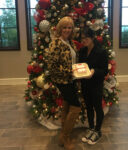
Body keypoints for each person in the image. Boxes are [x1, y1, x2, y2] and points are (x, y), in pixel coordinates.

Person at [47, 16, 81, 150]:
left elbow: (72, 61)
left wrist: (78, 70)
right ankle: (65, 137)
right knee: (76, 107)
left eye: (69, 27)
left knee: (67, 105)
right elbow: (52, 66)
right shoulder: (55, 43)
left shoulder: (70, 42)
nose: (67, 30)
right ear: (60, 29)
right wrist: (69, 71)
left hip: (71, 79)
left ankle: (63, 136)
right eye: (65, 27)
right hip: (62, 80)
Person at [79, 27, 108, 145]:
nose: (83, 40)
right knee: (89, 107)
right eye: (82, 38)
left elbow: (104, 70)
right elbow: (80, 66)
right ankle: (91, 128)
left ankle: (98, 131)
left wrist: (94, 71)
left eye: (86, 38)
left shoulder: (101, 52)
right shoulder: (82, 51)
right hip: (85, 84)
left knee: (97, 107)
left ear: (92, 38)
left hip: (96, 84)